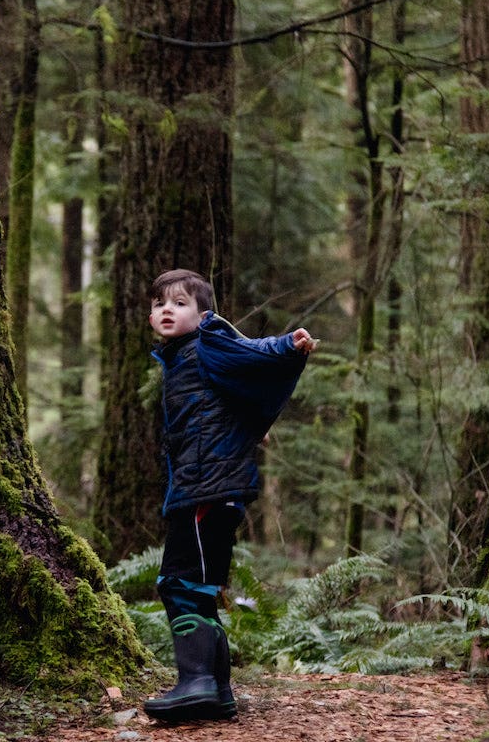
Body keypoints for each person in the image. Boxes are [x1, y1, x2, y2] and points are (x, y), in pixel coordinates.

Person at [142, 269, 316, 723]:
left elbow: (250, 350)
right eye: (160, 302)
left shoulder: (207, 342)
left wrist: (286, 344)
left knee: (179, 582)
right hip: (206, 487)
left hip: (208, 487)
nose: (167, 309)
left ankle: (196, 682)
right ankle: (216, 690)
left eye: (180, 303)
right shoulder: (183, 357)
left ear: (203, 315)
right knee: (199, 586)